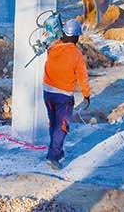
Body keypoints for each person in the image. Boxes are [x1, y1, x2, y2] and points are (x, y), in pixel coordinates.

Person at [42, 17, 92, 168]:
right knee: (62, 126)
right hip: (63, 95)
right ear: (76, 36)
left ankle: (57, 150)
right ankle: (52, 157)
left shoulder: (53, 47)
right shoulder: (76, 54)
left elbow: (52, 40)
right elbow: (82, 77)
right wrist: (86, 95)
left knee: (53, 123)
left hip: (47, 92)